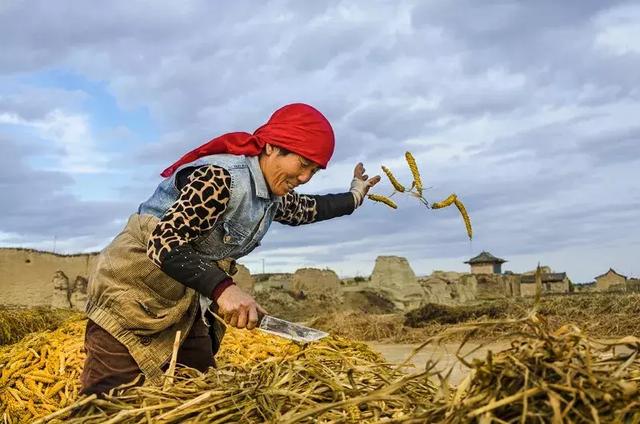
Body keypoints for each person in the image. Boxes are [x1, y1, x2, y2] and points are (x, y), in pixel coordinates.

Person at [80, 103, 381, 394]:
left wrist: (354, 195)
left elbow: (309, 209)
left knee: (197, 391)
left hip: (182, 301)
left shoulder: (270, 194)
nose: (304, 178)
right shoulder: (220, 178)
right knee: (108, 400)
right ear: (272, 147)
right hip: (131, 295)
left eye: (313, 171)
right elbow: (164, 242)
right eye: (302, 164)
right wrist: (225, 290)